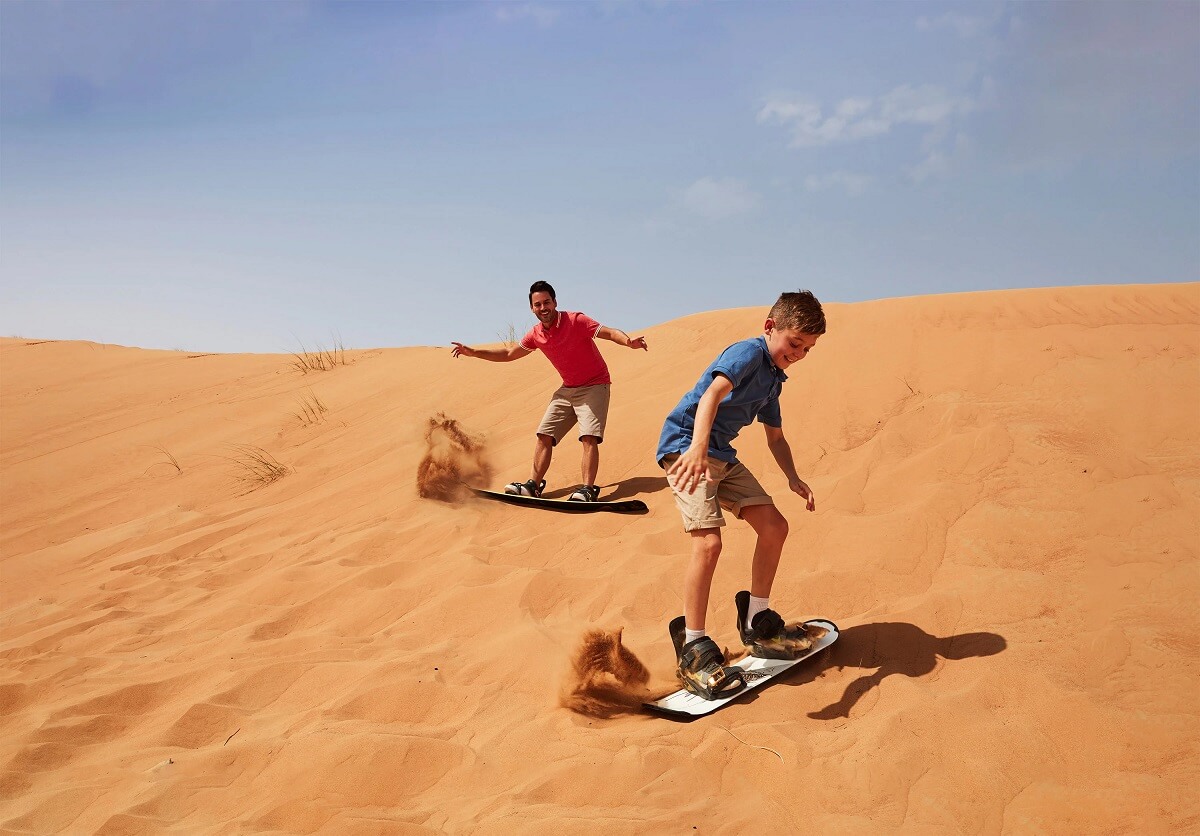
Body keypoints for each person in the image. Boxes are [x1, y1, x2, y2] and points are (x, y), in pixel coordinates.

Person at [655, 290, 829, 699]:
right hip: (686, 448)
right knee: (709, 543)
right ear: (771, 328)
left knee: (775, 526)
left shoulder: (773, 382)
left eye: (808, 348)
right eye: (794, 343)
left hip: (720, 456)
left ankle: (756, 618)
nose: (800, 353)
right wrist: (696, 447)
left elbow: (776, 438)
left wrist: (793, 477)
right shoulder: (748, 353)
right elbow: (712, 395)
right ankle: (694, 647)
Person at [451, 281, 647, 502]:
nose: (543, 308)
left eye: (546, 302)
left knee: (588, 437)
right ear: (532, 309)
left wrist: (628, 341)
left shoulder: (576, 320)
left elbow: (609, 333)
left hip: (594, 385)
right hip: (568, 389)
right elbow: (508, 354)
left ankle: (587, 489)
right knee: (545, 435)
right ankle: (533, 485)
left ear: (555, 302)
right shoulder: (535, 334)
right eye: (538, 304)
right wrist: (474, 352)